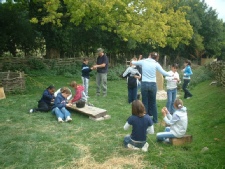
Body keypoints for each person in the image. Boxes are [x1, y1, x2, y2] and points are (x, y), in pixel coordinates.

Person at [132, 52, 172, 123]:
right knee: (153, 103)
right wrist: (172, 74)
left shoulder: (144, 61)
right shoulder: (156, 64)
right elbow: (164, 73)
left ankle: (145, 119)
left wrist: (135, 60)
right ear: (156, 57)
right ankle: (155, 120)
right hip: (153, 85)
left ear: (150, 55)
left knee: (144, 103)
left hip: (144, 84)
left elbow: (133, 62)